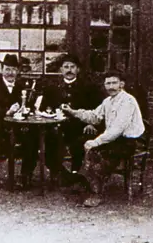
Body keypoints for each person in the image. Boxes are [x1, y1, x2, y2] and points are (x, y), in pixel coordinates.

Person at [61, 71, 146, 207]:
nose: (110, 86)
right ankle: (84, 181)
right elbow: (94, 116)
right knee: (79, 143)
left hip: (129, 141)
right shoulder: (108, 101)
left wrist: (96, 142)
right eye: (108, 83)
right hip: (114, 139)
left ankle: (96, 193)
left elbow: (117, 129)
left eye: (114, 83)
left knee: (96, 152)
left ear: (121, 84)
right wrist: (73, 112)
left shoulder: (128, 101)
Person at [41, 54, 103, 183]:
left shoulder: (89, 88)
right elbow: (44, 109)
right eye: (66, 67)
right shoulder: (51, 88)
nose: (69, 70)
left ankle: (76, 173)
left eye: (72, 67)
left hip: (80, 127)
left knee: (79, 144)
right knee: (50, 141)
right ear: (61, 70)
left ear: (78, 69)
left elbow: (99, 110)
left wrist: (92, 124)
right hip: (57, 126)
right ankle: (59, 173)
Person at [0, 54, 32, 190]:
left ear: (18, 71)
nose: (11, 73)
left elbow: (26, 106)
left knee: (32, 138)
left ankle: (24, 175)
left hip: (17, 127)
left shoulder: (21, 86)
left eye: (14, 70)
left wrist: (24, 110)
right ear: (2, 69)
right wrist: (6, 112)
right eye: (7, 69)